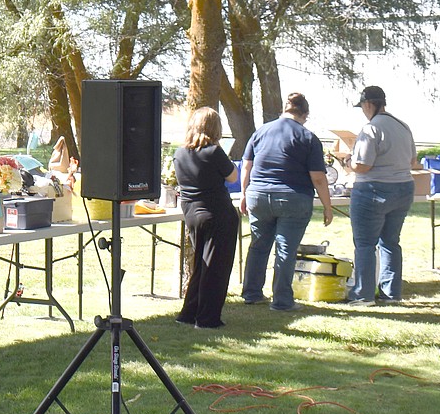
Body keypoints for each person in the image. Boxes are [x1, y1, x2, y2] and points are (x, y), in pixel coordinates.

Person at [240, 92, 334, 311]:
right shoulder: (308, 137)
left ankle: (252, 293)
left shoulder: (261, 132)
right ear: (305, 114)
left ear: (285, 110)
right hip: (293, 197)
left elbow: (246, 166)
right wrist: (328, 206)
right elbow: (318, 178)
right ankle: (282, 300)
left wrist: (245, 193)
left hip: (258, 195)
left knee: (258, 245)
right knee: (285, 249)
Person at [346, 86, 417, 304]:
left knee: (365, 244)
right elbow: (412, 161)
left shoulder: (371, 128)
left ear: (368, 104)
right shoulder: (403, 126)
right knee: (390, 242)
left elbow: (363, 166)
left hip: (373, 190)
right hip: (403, 187)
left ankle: (363, 294)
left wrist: (347, 162)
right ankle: (392, 293)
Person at [174, 107, 239, 328]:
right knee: (216, 267)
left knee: (200, 265)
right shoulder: (214, 151)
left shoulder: (180, 153)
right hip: (217, 212)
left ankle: (189, 312)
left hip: (192, 212)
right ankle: (207, 318)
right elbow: (232, 176)